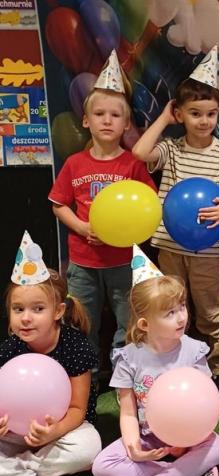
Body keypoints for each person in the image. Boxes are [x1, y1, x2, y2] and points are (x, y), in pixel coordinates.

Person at [132, 47, 219, 405]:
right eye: (195, 113)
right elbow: (139, 153)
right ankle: (172, 365)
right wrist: (163, 119)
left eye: (210, 114)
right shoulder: (171, 149)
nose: (204, 121)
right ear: (180, 114)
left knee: (211, 311)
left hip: (208, 250)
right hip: (170, 247)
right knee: (169, 309)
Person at [92, 246, 219, 476]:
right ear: (144, 324)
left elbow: (206, 405)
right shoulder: (128, 358)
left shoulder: (194, 351)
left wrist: (184, 441)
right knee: (101, 467)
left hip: (191, 438)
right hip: (148, 438)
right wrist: (133, 447)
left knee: (218, 447)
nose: (181, 317)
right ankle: (189, 474)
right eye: (170, 313)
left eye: (182, 307)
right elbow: (128, 411)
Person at [48, 50, 156, 359]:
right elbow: (59, 205)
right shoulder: (74, 164)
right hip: (83, 261)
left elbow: (149, 207)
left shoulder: (132, 165)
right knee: (83, 321)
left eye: (115, 115)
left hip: (123, 260)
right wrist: (82, 227)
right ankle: (87, 376)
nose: (107, 120)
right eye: (99, 114)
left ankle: (124, 374)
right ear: (86, 120)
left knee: (129, 321)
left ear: (126, 124)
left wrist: (126, 232)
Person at [0, 231, 102, 476]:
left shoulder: (75, 346)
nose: (26, 317)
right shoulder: (9, 349)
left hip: (65, 431)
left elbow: (78, 409)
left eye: (38, 309)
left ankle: (16, 474)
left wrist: (53, 432)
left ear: (58, 311)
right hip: (17, 433)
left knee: (90, 449)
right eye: (18, 309)